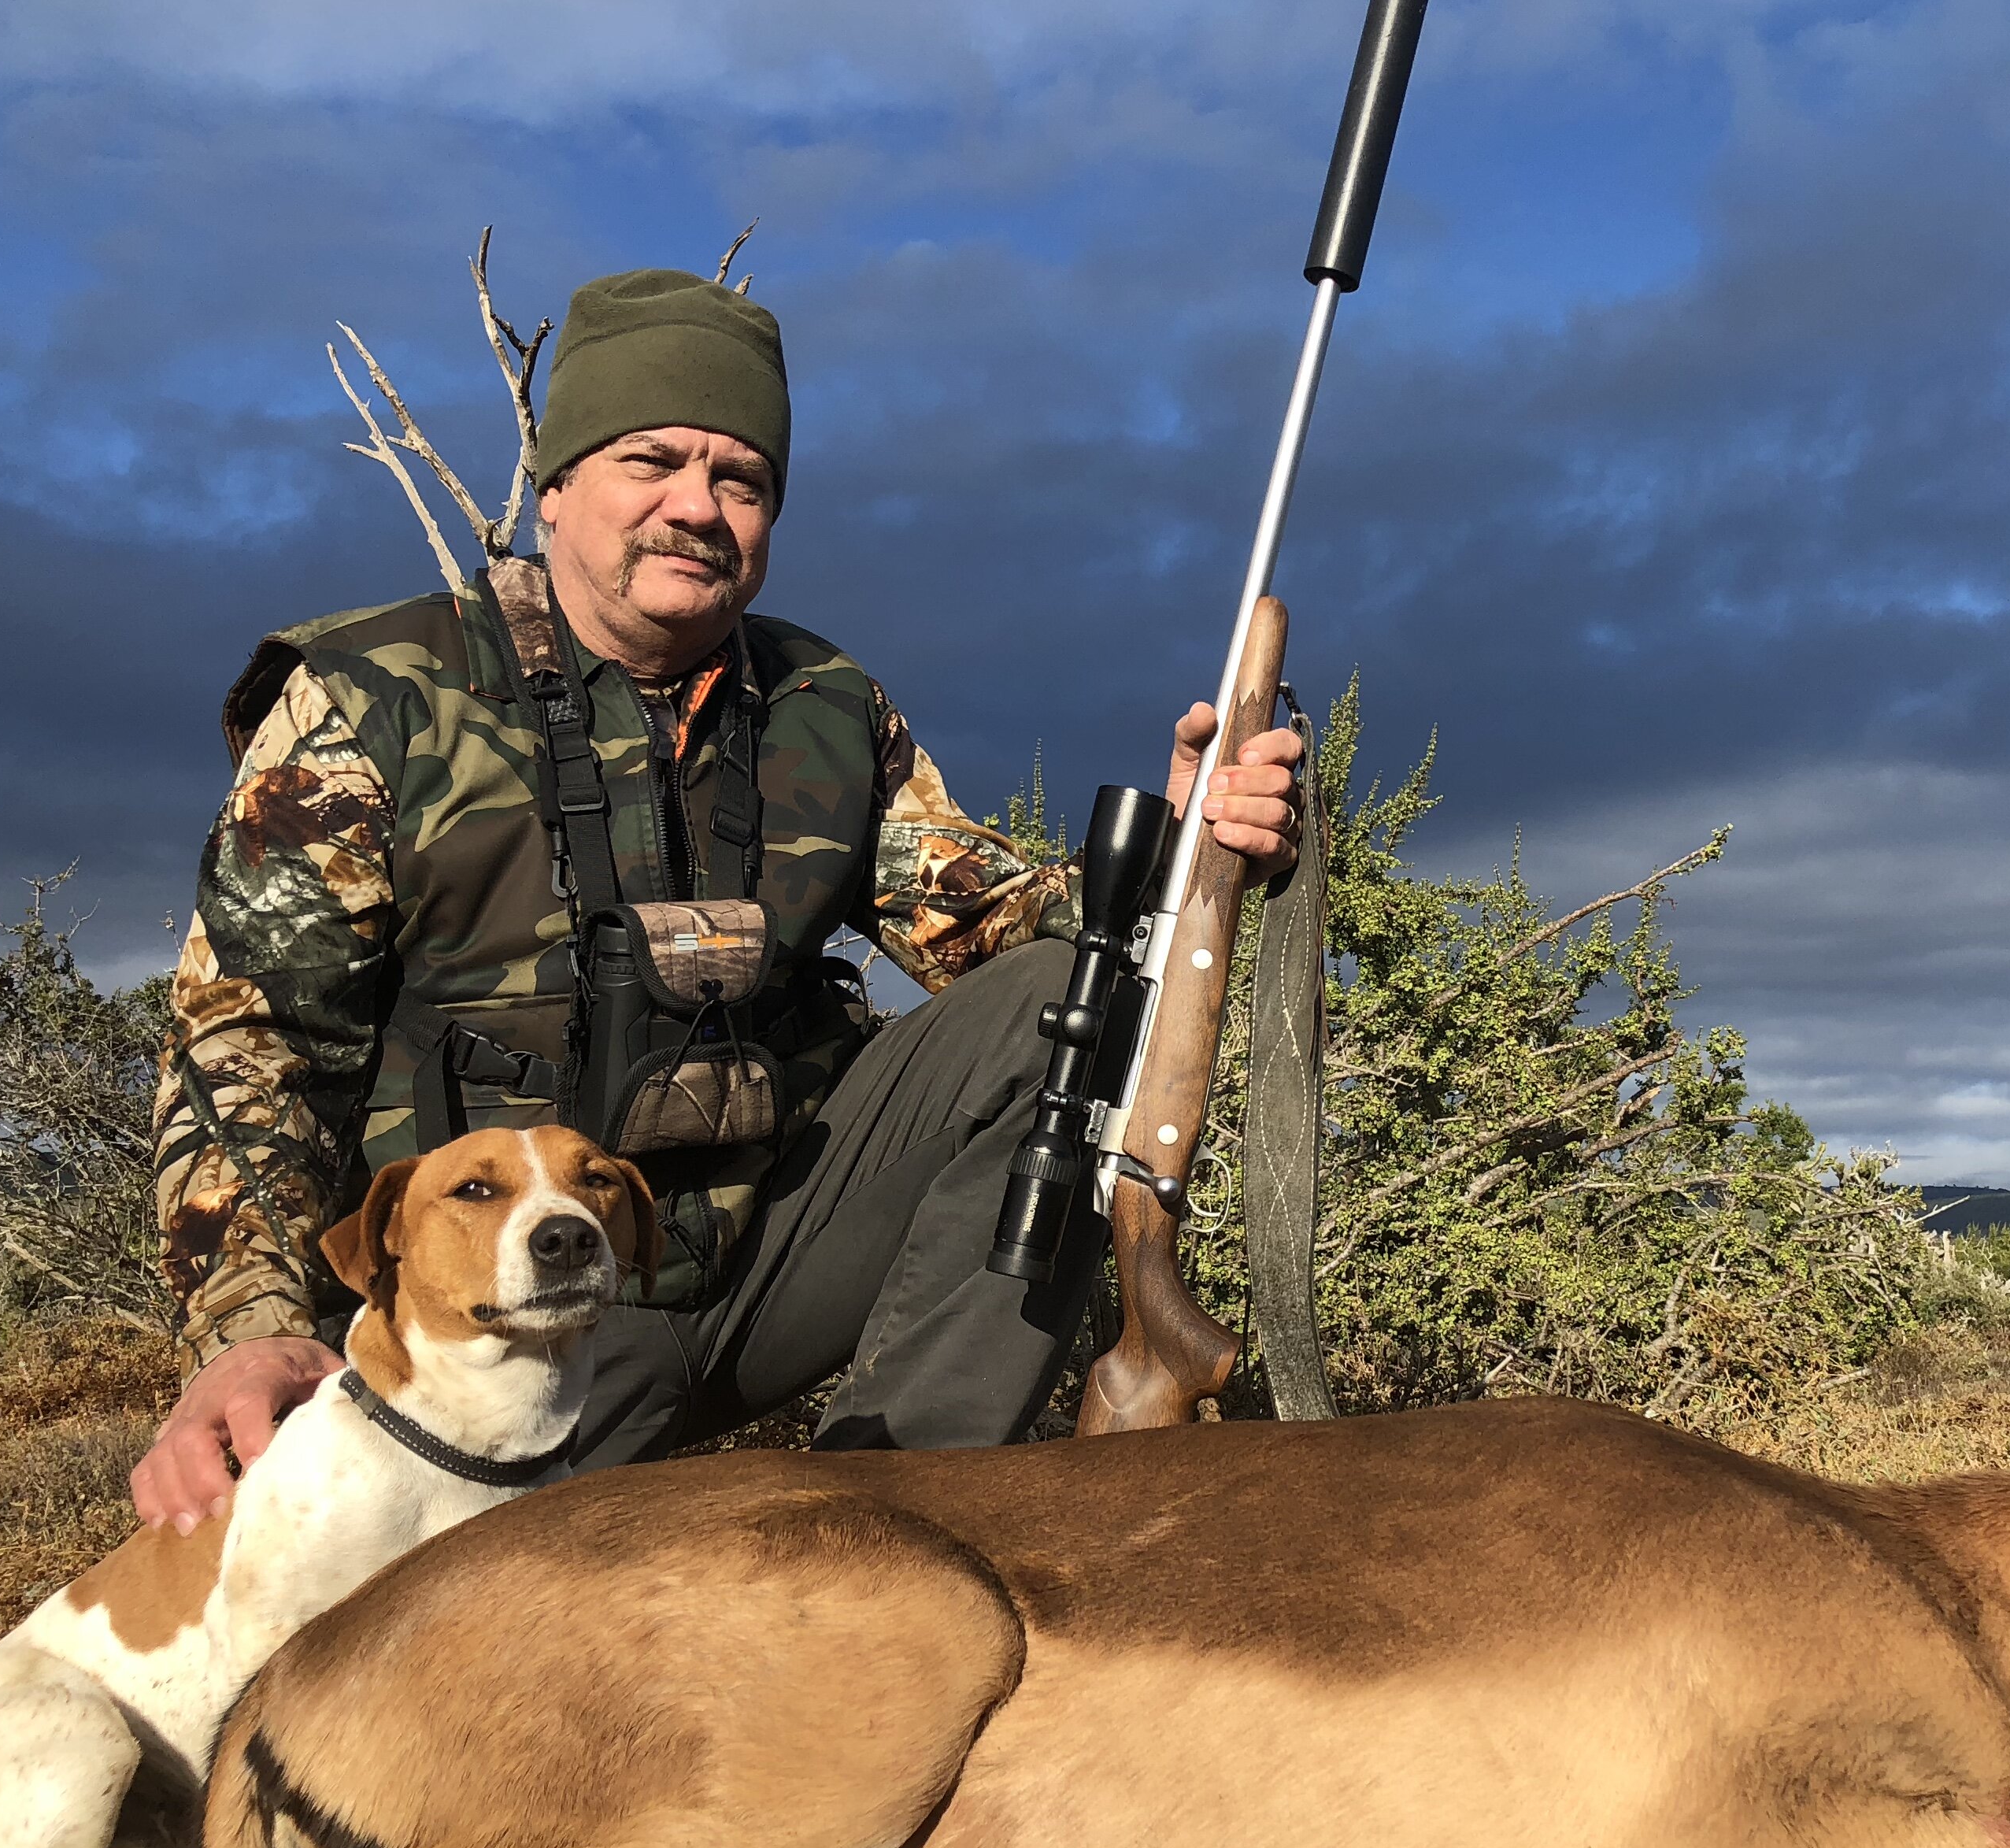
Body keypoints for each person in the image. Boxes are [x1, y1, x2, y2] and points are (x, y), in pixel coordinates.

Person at [130, 267, 1299, 1533]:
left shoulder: (825, 705)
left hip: (765, 1262)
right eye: (653, 460)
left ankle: (896, 1521)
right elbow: (245, 1049)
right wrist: (247, 1336)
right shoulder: (374, 698)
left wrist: (1186, 847)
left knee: (1060, 1008)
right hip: (506, 1327)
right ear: (555, 481)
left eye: (741, 480)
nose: (698, 507)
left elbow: (998, 924)